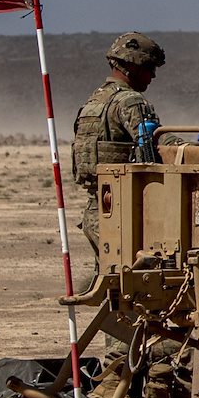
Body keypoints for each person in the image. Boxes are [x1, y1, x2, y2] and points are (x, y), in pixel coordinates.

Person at [70, 32, 165, 283]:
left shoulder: (95, 101)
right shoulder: (131, 101)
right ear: (131, 65)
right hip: (125, 209)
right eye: (149, 67)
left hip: (97, 208)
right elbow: (153, 148)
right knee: (135, 287)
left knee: (112, 281)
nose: (153, 76)